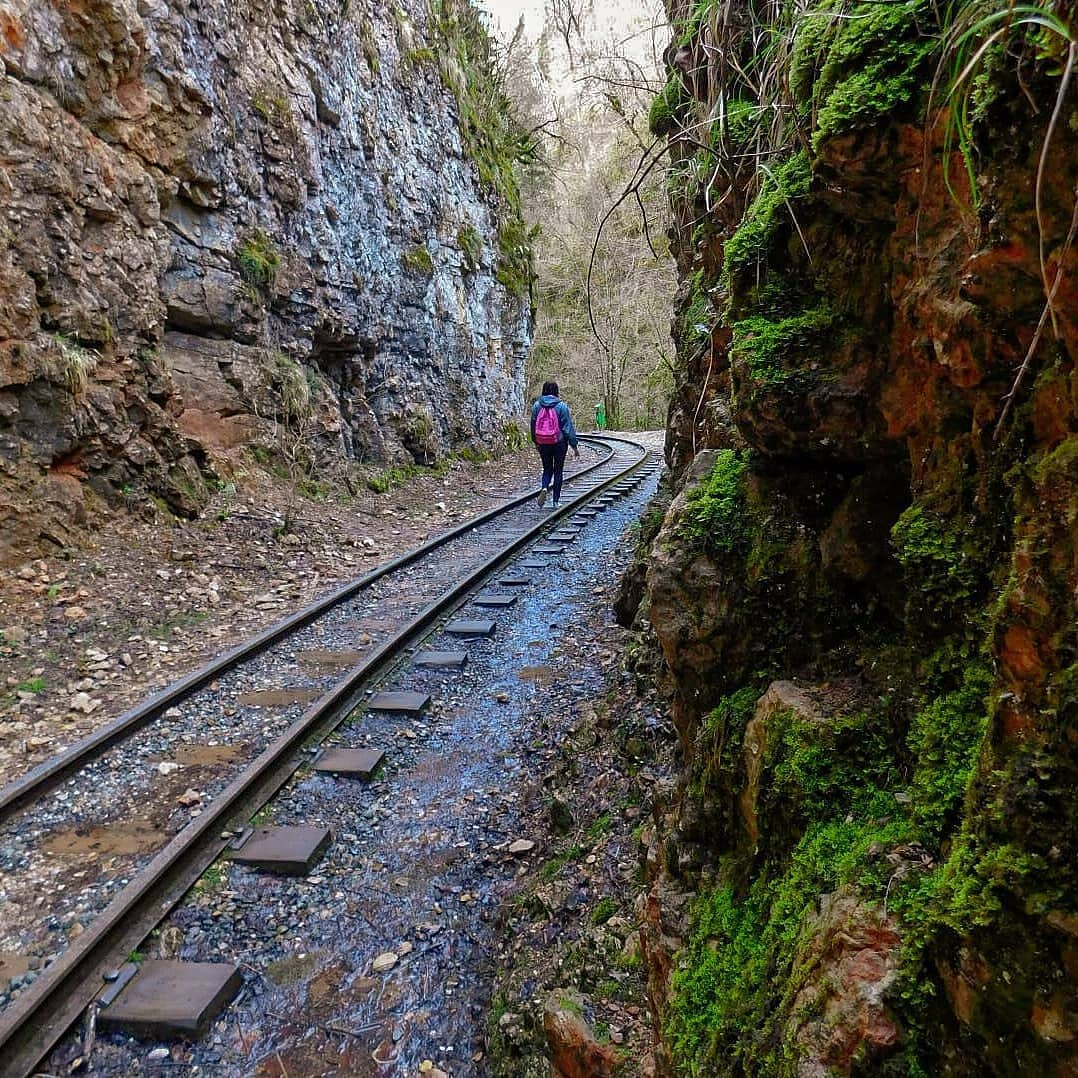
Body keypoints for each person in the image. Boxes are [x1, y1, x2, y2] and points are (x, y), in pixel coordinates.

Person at [530, 381, 580, 508]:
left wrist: (536, 442)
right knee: (558, 470)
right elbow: (568, 428)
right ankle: (556, 501)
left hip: (543, 442)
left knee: (547, 468)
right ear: (556, 391)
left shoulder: (537, 406)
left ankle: (545, 487)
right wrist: (574, 446)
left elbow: (533, 425)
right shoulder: (562, 406)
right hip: (559, 443)